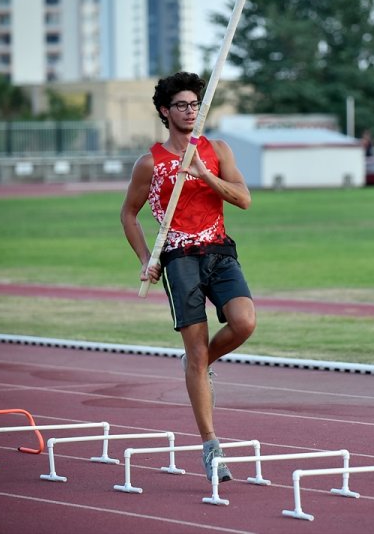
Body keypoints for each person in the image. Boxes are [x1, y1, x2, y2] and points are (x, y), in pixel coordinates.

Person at [120, 71, 256, 484]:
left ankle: (197, 366)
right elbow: (128, 214)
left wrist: (202, 173)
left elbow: (244, 199)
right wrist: (147, 257)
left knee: (244, 322)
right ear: (165, 111)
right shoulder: (151, 163)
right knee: (196, 353)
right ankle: (212, 444)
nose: (190, 111)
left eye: (195, 104)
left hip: (219, 250)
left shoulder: (215, 149)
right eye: (181, 105)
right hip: (178, 260)